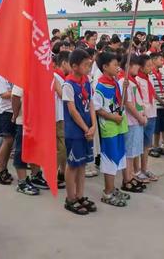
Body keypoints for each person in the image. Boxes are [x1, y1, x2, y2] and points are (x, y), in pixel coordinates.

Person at [62, 48, 97, 215]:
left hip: (87, 129)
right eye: (85, 65)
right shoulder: (68, 84)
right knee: (73, 165)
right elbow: (73, 110)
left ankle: (80, 195)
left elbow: (90, 103)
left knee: (83, 164)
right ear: (74, 66)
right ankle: (70, 198)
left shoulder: (86, 81)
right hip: (75, 132)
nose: (88, 68)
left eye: (89, 64)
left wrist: (93, 125)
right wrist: (85, 128)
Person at [93, 52, 129, 206]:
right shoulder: (100, 85)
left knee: (119, 156)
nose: (118, 67)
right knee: (110, 158)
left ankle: (112, 187)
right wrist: (113, 117)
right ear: (105, 67)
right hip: (109, 127)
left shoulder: (115, 82)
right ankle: (107, 193)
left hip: (119, 125)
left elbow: (121, 102)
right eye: (115, 65)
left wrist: (125, 88)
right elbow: (97, 108)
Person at [11, 85, 48, 194]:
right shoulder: (22, 78)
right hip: (25, 122)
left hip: (38, 121)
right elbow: (15, 97)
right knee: (21, 151)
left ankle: (35, 176)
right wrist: (16, 114)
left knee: (36, 150)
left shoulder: (40, 78)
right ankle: (22, 182)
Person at [118, 55, 147, 193]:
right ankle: (127, 179)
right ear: (128, 66)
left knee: (133, 151)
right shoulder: (124, 82)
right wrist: (140, 117)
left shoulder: (131, 81)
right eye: (136, 65)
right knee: (129, 152)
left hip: (136, 120)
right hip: (131, 121)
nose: (138, 68)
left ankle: (131, 176)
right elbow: (128, 103)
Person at [136, 55, 159, 182]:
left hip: (152, 113)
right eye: (148, 65)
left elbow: (153, 94)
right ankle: (137, 171)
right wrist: (141, 115)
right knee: (138, 145)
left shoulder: (149, 77)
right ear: (140, 67)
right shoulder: (137, 80)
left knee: (146, 145)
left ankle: (144, 169)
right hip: (143, 116)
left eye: (152, 65)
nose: (151, 68)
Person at [53, 51, 71, 189]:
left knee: (62, 147)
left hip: (61, 116)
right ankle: (54, 175)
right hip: (57, 117)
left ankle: (61, 173)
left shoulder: (61, 78)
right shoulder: (55, 77)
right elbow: (63, 95)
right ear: (64, 63)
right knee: (60, 148)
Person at [149, 52, 164, 154]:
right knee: (155, 127)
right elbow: (153, 92)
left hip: (163, 104)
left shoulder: (161, 74)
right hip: (156, 105)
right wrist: (162, 102)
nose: (162, 61)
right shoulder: (150, 74)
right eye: (160, 59)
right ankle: (153, 146)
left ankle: (158, 145)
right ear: (153, 60)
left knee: (161, 126)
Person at [0, 74, 15, 185]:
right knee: (7, 141)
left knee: (10, 142)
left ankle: (4, 168)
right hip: (5, 112)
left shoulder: (17, 74)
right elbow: (3, 94)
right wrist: (18, 93)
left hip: (14, 110)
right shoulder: (1, 76)